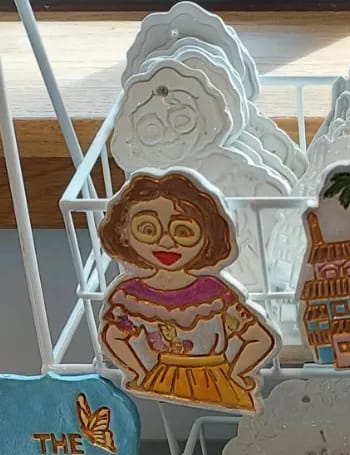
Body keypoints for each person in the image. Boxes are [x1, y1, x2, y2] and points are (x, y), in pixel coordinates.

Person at [98, 171, 277, 412]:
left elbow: (260, 338)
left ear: (208, 236)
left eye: (183, 231)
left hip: (205, 381)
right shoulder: (130, 296)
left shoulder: (215, 294)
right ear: (124, 234)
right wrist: (138, 372)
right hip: (178, 380)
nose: (166, 242)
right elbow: (113, 335)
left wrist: (236, 373)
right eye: (148, 229)